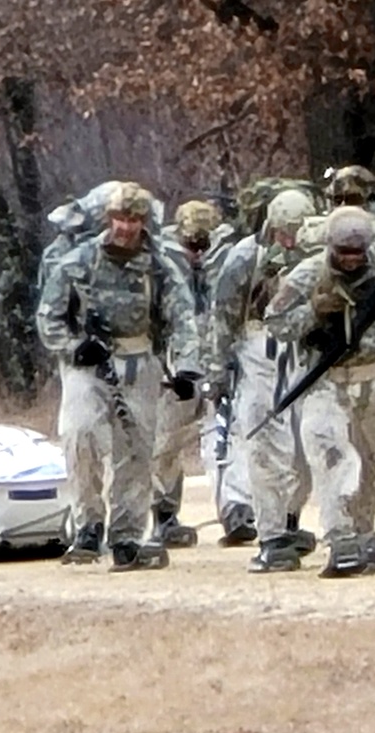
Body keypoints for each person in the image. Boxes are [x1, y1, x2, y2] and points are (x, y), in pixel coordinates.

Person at [37, 182, 202, 571]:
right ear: (108, 219)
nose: (126, 227)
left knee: (137, 449)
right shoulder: (78, 261)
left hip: (139, 361)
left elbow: (182, 319)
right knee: (80, 435)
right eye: (120, 218)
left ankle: (127, 535)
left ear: (144, 223)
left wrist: (187, 368)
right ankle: (88, 524)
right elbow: (49, 316)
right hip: (87, 366)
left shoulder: (160, 267)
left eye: (134, 219)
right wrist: (73, 346)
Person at [265, 206, 375, 578]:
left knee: (366, 461)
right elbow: (274, 321)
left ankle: (363, 532)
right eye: (344, 252)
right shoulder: (308, 273)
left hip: (373, 377)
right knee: (328, 455)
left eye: (359, 252)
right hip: (326, 380)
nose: (352, 259)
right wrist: (313, 311)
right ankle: (339, 538)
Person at [210, 188, 319, 572]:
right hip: (258, 351)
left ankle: (290, 519)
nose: (289, 240)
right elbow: (223, 317)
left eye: (296, 231)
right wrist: (218, 371)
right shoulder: (244, 258)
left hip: (305, 353)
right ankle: (271, 535)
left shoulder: (315, 255)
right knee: (264, 445)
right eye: (284, 231)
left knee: (307, 446)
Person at [151, 199, 254, 547]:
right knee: (164, 442)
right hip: (176, 367)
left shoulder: (231, 263)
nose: (197, 251)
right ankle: (164, 513)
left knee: (225, 436)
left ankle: (236, 508)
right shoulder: (161, 267)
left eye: (202, 244)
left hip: (220, 361)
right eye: (190, 244)